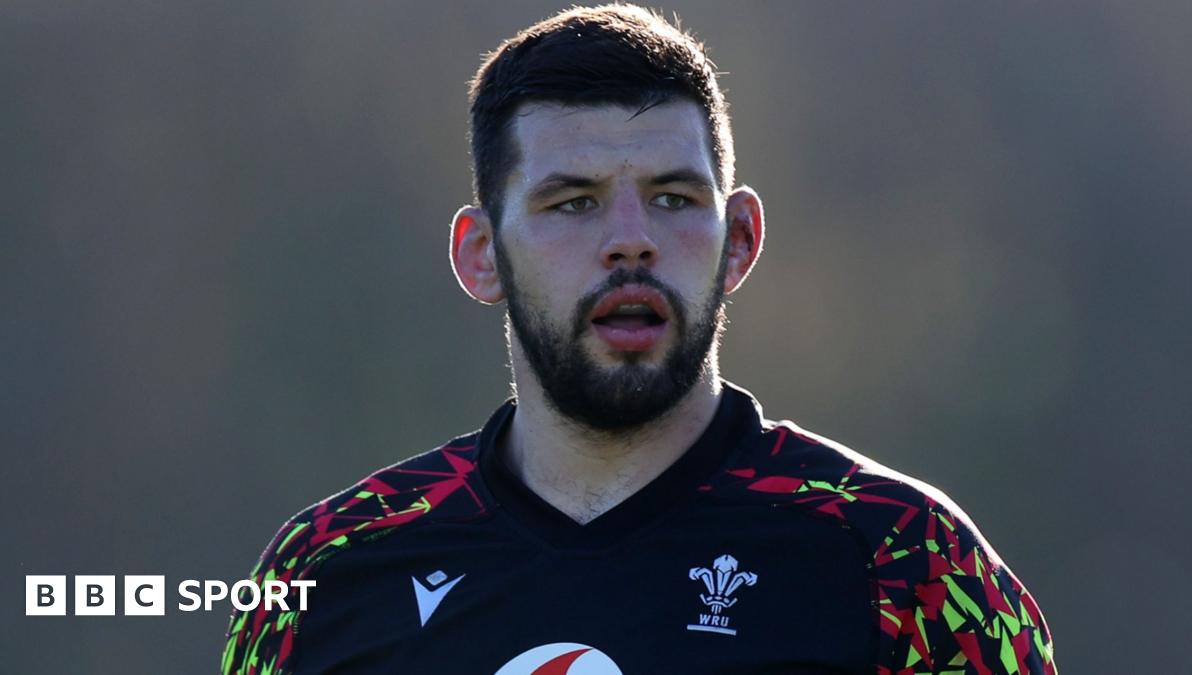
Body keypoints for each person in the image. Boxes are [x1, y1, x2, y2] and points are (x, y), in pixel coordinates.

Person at [221, 5, 1056, 674]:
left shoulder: (905, 558)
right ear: (482, 255)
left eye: (673, 198)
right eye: (573, 202)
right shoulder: (327, 571)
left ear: (739, 240)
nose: (631, 241)